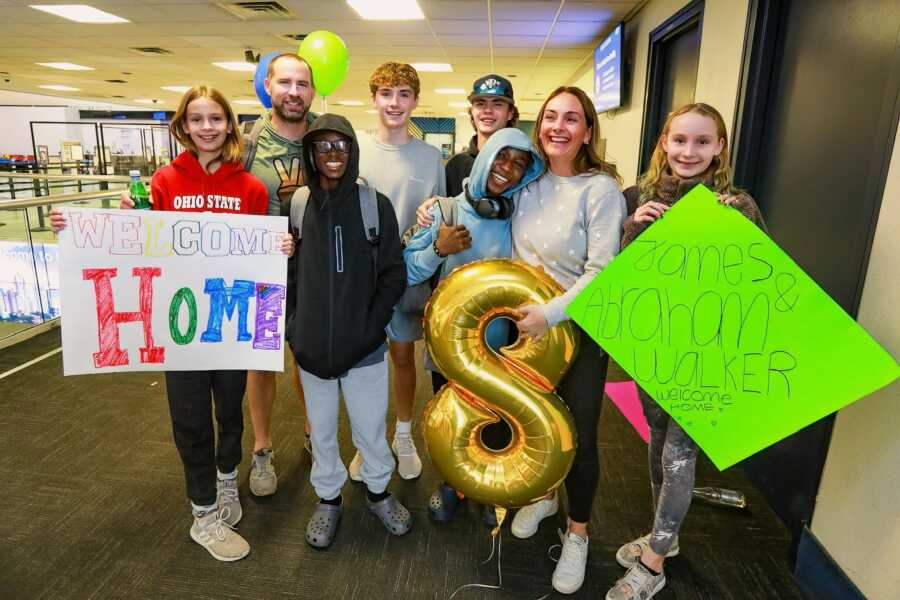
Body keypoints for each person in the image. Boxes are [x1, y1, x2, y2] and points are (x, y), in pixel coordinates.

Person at [50, 86, 293, 561]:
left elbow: (260, 251)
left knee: (229, 411)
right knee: (190, 419)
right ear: (183, 126)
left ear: (229, 126)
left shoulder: (250, 187)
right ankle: (203, 513)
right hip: (178, 327)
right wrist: (82, 225)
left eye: (216, 119)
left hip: (227, 324)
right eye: (197, 119)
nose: (207, 128)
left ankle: (226, 481)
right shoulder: (164, 181)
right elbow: (141, 242)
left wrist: (280, 247)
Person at [416, 86, 626, 595]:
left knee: (578, 433)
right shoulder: (526, 185)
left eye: (571, 118)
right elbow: (478, 192)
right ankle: (545, 495)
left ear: (588, 131)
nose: (558, 126)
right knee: (531, 420)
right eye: (550, 116)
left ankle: (577, 534)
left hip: (573, 331)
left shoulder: (600, 190)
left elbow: (602, 272)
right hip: (519, 333)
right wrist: (433, 209)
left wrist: (550, 315)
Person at [606, 103, 767, 600]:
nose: (689, 151)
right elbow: (615, 281)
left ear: (720, 147)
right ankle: (665, 538)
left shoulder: (737, 205)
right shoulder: (638, 196)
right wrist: (634, 226)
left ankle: (653, 564)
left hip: (706, 354)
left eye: (702, 142)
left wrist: (731, 233)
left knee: (680, 454)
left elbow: (761, 285)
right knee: (655, 438)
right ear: (664, 144)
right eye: (679, 140)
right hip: (652, 346)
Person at [404, 128, 543, 526]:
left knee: (498, 417)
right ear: (486, 157)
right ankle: (451, 482)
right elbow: (410, 271)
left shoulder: (520, 216)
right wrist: (437, 249)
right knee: (452, 418)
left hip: (504, 347)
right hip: (450, 346)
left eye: (519, 164)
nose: (508, 170)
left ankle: (484, 485)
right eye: (502, 158)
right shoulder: (444, 210)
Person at [288, 114, 411, 549]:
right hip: (312, 350)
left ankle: (378, 492)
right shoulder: (298, 205)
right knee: (320, 431)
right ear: (310, 154)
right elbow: (288, 277)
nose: (333, 155)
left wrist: (369, 327)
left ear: (353, 151)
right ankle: (328, 499)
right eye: (323, 147)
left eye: (341, 146)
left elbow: (394, 274)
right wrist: (294, 331)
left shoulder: (373, 205)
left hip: (365, 350)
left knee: (370, 429)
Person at [353, 62, 446, 481]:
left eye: (404, 94)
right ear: (373, 98)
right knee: (363, 363)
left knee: (404, 357)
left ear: (415, 101)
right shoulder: (355, 148)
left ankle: (403, 434)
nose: (395, 102)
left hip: (409, 276)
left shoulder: (430, 157)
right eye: (386, 93)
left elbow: (438, 216)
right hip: (361, 278)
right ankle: (367, 441)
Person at [243, 52, 317, 497]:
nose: (294, 92)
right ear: (268, 85)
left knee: (307, 359)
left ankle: (315, 435)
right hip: (263, 274)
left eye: (302, 84)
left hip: (312, 272)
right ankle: (263, 448)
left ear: (312, 91)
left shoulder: (325, 138)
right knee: (262, 361)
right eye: (285, 82)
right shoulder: (247, 144)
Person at [444, 74, 520, 196]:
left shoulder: (520, 165)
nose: (488, 110)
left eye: (497, 104)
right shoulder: (456, 165)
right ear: (472, 111)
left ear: (510, 113)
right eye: (480, 103)